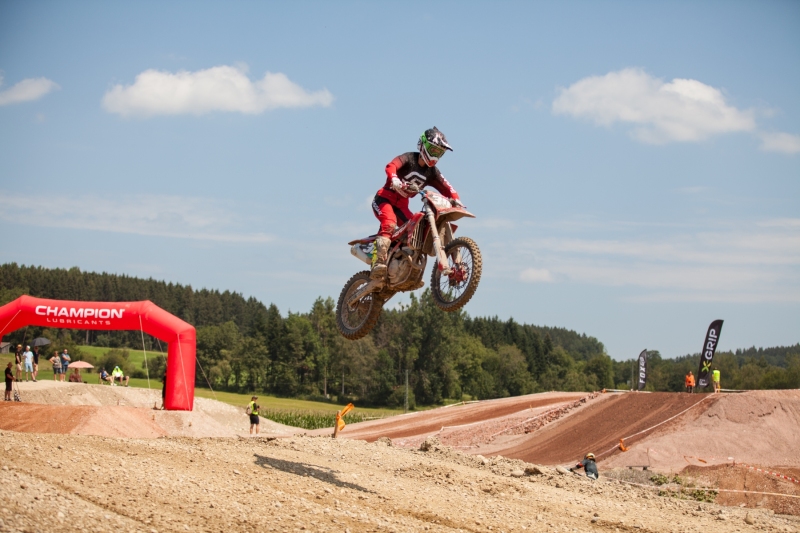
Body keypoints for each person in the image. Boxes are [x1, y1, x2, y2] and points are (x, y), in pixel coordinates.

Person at [369, 127, 461, 279]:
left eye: (439, 152)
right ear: (423, 145)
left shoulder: (432, 172)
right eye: (433, 149)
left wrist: (456, 199)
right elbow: (391, 166)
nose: (435, 155)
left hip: (402, 206)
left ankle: (401, 265)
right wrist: (394, 179)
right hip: (384, 199)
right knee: (389, 223)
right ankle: (377, 262)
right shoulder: (409, 158)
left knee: (415, 231)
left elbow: (447, 186)